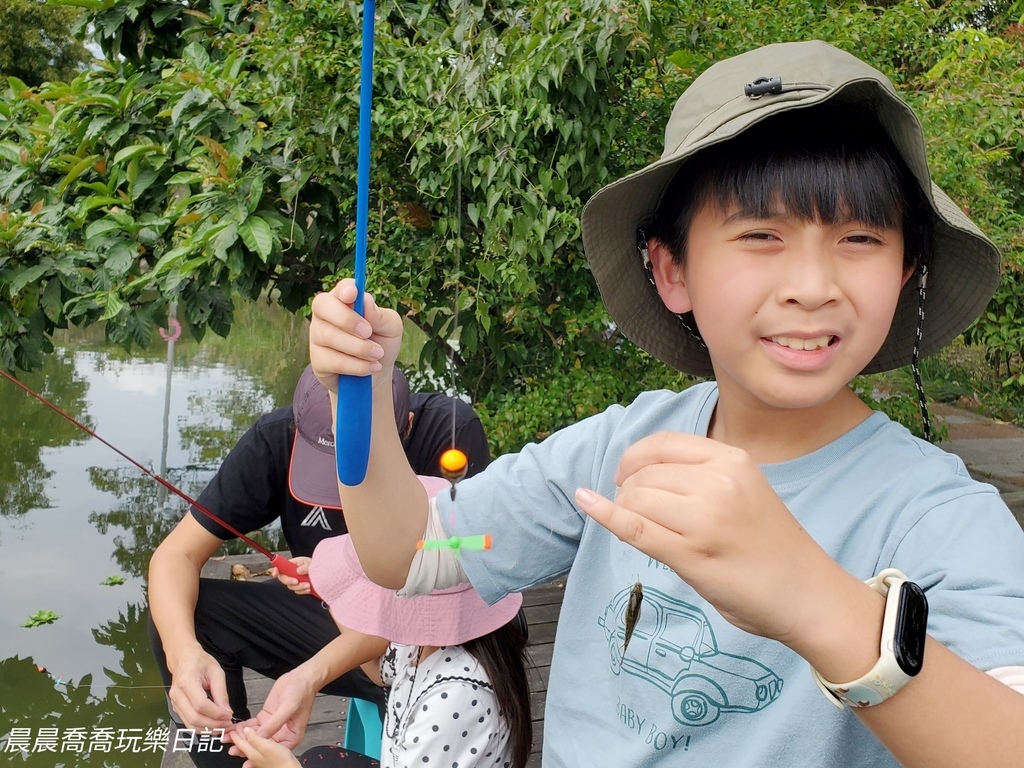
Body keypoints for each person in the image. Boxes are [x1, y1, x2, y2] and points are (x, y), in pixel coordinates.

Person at [305, 40, 1024, 767]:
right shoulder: (612, 456)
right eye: (761, 235)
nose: (812, 284)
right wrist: (361, 393)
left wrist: (816, 599)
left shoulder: (939, 518)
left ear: (905, 272)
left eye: (860, 238)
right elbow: (421, 551)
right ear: (671, 270)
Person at [147, 364, 491, 768]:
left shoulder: (447, 436)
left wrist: (310, 674)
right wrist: (183, 655)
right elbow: (175, 555)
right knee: (184, 618)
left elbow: (456, 597)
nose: (345, 493)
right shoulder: (276, 438)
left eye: (357, 468)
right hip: (339, 617)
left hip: (434, 637)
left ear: (407, 427)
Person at [221, 477, 531, 768]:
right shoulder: (425, 638)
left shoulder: (455, 697)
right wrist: (331, 592)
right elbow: (380, 669)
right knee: (319, 759)